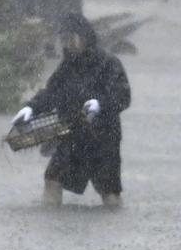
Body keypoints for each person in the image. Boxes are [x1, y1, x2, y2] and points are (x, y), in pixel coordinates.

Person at [12, 13, 131, 208]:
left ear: (83, 36)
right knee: (52, 179)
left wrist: (99, 104)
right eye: (63, 39)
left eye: (70, 38)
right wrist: (30, 108)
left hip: (104, 140)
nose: (67, 44)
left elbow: (123, 96)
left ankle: (113, 223)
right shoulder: (67, 67)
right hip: (73, 136)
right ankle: (52, 222)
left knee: (110, 193)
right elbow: (52, 93)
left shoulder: (108, 63)